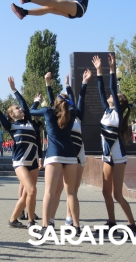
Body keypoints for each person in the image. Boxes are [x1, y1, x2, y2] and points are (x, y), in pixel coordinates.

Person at [0, 77, 39, 229]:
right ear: (11, 115)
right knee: (32, 190)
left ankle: (13, 220)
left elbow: (24, 103)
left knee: (27, 194)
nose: (20, 109)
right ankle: (31, 222)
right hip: (20, 162)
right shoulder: (11, 126)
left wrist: (14, 90)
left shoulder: (29, 122)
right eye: (17, 108)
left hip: (34, 161)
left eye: (20, 108)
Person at [29, 73, 81, 232]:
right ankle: (76, 226)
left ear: (56, 102)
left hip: (54, 154)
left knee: (49, 192)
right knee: (71, 193)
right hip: (71, 155)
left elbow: (31, 111)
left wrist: (37, 99)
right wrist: (65, 87)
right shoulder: (72, 114)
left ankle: (46, 226)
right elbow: (71, 104)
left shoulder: (47, 112)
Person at [95, 54, 136, 233]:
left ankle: (132, 225)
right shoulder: (107, 110)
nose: (111, 95)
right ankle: (111, 222)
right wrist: (99, 71)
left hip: (118, 156)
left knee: (117, 194)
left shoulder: (118, 113)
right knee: (105, 192)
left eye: (115, 96)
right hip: (107, 156)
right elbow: (101, 91)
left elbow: (112, 88)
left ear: (119, 102)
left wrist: (112, 69)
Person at [52, 70, 91, 228]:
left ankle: (69, 219)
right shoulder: (56, 117)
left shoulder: (76, 116)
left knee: (73, 190)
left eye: (68, 100)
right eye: (64, 100)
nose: (67, 102)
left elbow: (80, 99)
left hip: (78, 153)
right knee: (57, 189)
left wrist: (84, 83)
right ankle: (50, 220)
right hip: (63, 154)